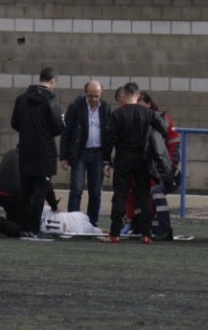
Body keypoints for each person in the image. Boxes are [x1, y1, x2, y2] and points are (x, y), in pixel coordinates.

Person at [101, 82, 165, 244]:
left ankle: (115, 233)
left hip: (123, 158)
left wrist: (106, 161)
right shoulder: (148, 113)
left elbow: (109, 140)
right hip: (142, 159)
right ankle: (146, 234)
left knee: (120, 195)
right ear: (138, 95)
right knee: (144, 195)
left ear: (124, 94)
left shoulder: (117, 114)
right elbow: (163, 128)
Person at [11, 67, 65, 241]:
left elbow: (14, 123)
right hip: (45, 151)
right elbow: (57, 126)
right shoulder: (51, 99)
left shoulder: (21, 99)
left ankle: (25, 228)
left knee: (26, 191)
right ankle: (34, 229)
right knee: (40, 192)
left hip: (26, 149)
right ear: (53, 81)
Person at [121, 91, 179, 240]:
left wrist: (169, 168)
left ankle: (164, 228)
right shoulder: (134, 120)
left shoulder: (161, 120)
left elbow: (173, 144)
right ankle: (136, 224)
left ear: (148, 104)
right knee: (133, 191)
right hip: (143, 168)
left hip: (161, 170)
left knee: (155, 191)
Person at [60, 80, 111, 226]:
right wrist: (63, 156)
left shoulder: (105, 108)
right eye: (91, 96)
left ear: (101, 94)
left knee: (95, 192)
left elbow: (108, 134)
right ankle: (73, 223)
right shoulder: (76, 107)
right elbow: (66, 132)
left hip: (98, 154)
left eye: (96, 96)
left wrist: (107, 160)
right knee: (76, 189)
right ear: (85, 93)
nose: (94, 99)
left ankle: (92, 223)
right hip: (80, 154)